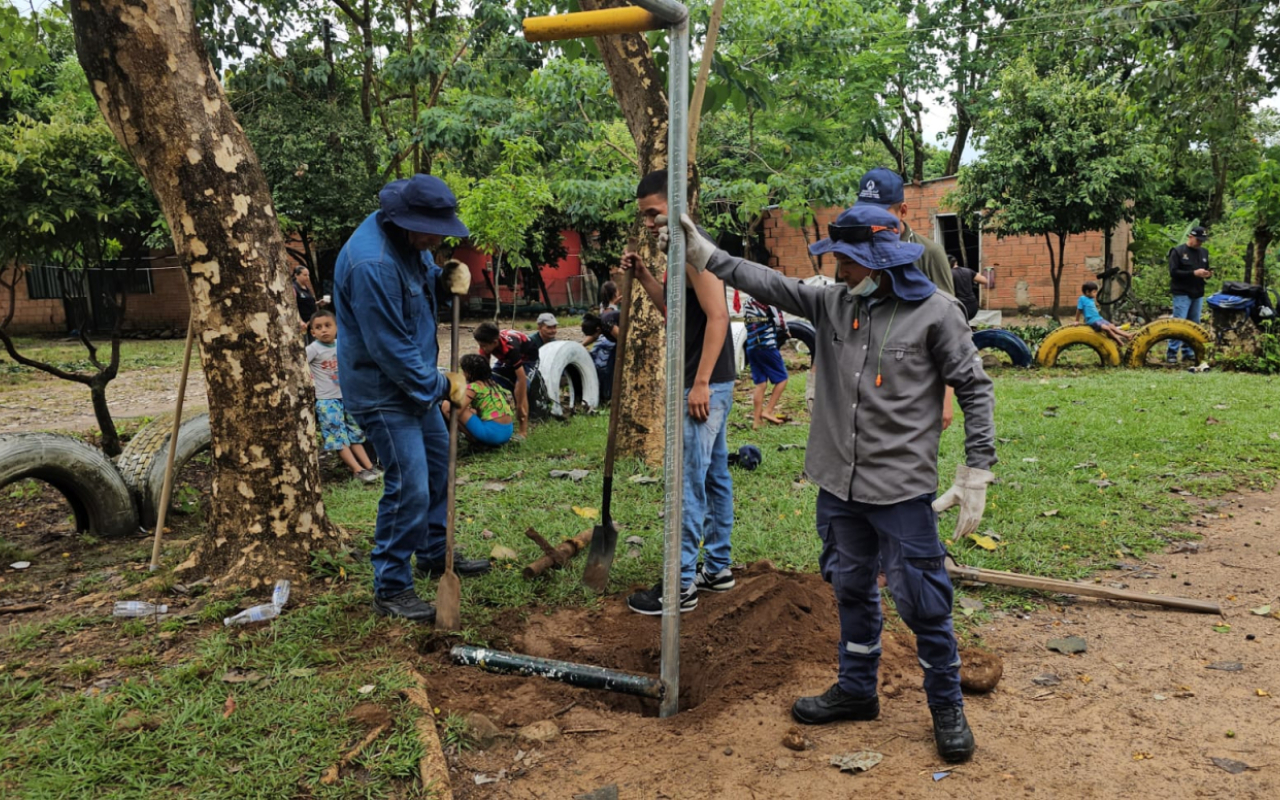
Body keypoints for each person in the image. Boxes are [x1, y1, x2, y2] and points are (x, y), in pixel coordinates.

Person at [660, 202, 996, 764]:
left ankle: (945, 706)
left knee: (923, 601)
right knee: (849, 585)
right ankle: (858, 689)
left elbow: (974, 386)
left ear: (878, 262)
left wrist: (976, 469)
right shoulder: (833, 303)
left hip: (901, 489)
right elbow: (766, 280)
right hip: (838, 485)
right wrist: (707, 255)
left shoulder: (938, 313)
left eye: (845, 258)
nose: (836, 266)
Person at [333, 174, 492, 624]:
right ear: (403, 220)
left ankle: (433, 552)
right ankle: (392, 585)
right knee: (410, 485)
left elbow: (420, 279)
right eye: (432, 230)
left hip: (413, 386)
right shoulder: (373, 265)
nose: (438, 239)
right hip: (384, 392)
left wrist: (443, 280)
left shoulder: (407, 243)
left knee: (438, 467)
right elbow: (391, 350)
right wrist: (446, 386)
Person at [619, 169, 737, 615]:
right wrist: (647, 275)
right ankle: (718, 568)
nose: (649, 223)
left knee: (688, 482)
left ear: (679, 204)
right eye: (644, 216)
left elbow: (717, 316)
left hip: (703, 382)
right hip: (707, 380)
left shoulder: (693, 247)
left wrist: (701, 382)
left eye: (654, 213)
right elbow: (677, 312)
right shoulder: (676, 250)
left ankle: (680, 585)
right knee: (714, 477)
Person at [856, 167, 958, 429]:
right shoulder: (853, 256)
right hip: (864, 380)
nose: (871, 223)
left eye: (880, 214)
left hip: (916, 380)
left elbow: (951, 330)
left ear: (903, 211)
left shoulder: (929, 254)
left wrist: (946, 396)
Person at [305, 310, 381, 484]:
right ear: (312, 332)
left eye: (328, 325)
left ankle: (369, 466)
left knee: (354, 433)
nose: (324, 330)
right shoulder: (313, 349)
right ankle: (357, 470)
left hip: (346, 397)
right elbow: (299, 364)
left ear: (336, 327)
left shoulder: (342, 345)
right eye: (318, 327)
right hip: (327, 400)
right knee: (337, 436)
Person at [473, 322, 532, 440]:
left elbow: (521, 379)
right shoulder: (487, 345)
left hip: (527, 359)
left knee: (520, 392)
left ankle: (523, 431)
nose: (482, 349)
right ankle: (489, 419)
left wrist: (519, 406)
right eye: (480, 345)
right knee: (490, 383)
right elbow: (484, 372)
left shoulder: (510, 349)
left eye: (484, 346)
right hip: (505, 359)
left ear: (494, 342)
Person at [443, 353, 514, 447]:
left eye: (463, 370)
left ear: (468, 372)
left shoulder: (474, 387)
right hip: (507, 432)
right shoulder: (493, 384)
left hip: (492, 434)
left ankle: (473, 439)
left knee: (447, 406)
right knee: (470, 410)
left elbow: (457, 411)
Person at [742, 293, 789, 428]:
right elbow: (779, 320)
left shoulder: (747, 301)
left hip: (751, 346)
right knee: (782, 379)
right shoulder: (767, 298)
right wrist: (786, 330)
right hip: (767, 345)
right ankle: (768, 411)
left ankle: (757, 421)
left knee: (761, 384)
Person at [1167, 226, 1212, 365]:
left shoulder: (1204, 252)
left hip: (1197, 293)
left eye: (1202, 241)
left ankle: (1188, 352)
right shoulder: (1178, 252)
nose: (1200, 243)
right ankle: (1172, 353)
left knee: (1194, 324)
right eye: (1198, 240)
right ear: (1190, 237)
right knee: (1179, 323)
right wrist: (1193, 273)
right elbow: (1173, 272)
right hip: (1182, 292)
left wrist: (1207, 274)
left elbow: (1205, 270)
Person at [1076, 280, 1133, 347]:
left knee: (1112, 326)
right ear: (1087, 292)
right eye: (1094, 292)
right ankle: (1118, 341)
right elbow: (1079, 309)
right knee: (1106, 328)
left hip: (1099, 318)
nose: (1096, 293)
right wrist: (1077, 320)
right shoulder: (1082, 298)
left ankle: (1127, 335)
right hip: (1092, 321)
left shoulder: (1091, 299)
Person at [949, 254, 988, 323]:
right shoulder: (968, 271)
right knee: (965, 324)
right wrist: (977, 274)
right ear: (956, 262)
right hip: (973, 306)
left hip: (960, 306)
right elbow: (984, 281)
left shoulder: (949, 274)